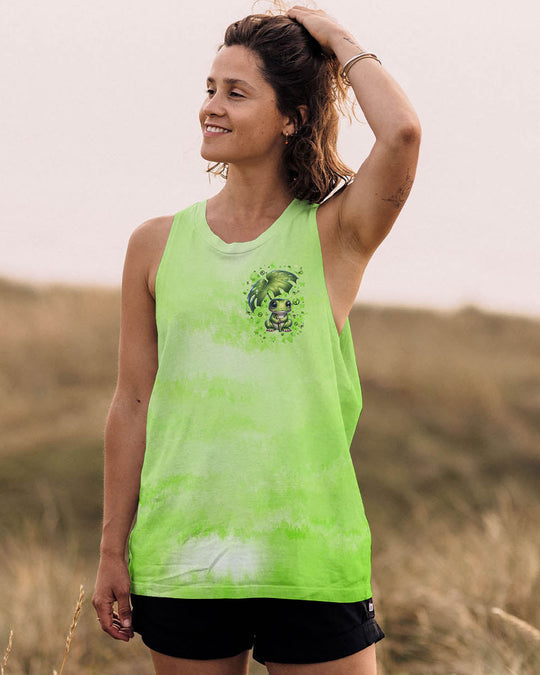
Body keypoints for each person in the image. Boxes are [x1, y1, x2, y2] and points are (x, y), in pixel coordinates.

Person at [92, 3, 421, 674]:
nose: (211, 107)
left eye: (236, 93)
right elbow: (132, 402)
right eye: (210, 88)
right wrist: (110, 549)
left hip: (309, 555)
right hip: (183, 554)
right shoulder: (154, 244)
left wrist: (336, 39)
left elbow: (402, 134)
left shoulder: (335, 234)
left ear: (291, 117)